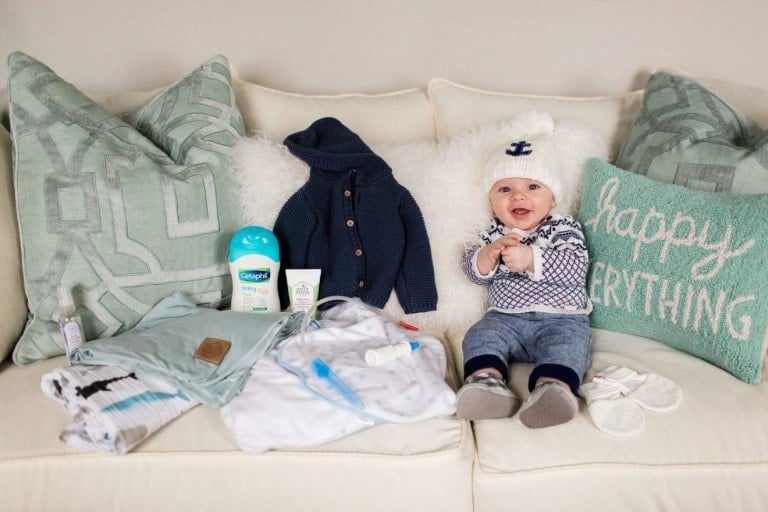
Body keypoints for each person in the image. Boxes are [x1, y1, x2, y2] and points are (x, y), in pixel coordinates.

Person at [455, 114, 592, 429]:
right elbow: (471, 271)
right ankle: (487, 383)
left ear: (552, 198)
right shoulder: (492, 233)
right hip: (505, 318)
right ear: (491, 202)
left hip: (561, 318)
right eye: (504, 189)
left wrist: (532, 258)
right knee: (481, 335)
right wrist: (486, 258)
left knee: (569, 346)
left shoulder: (562, 227)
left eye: (532, 186)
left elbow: (575, 266)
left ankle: (552, 389)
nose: (518, 196)